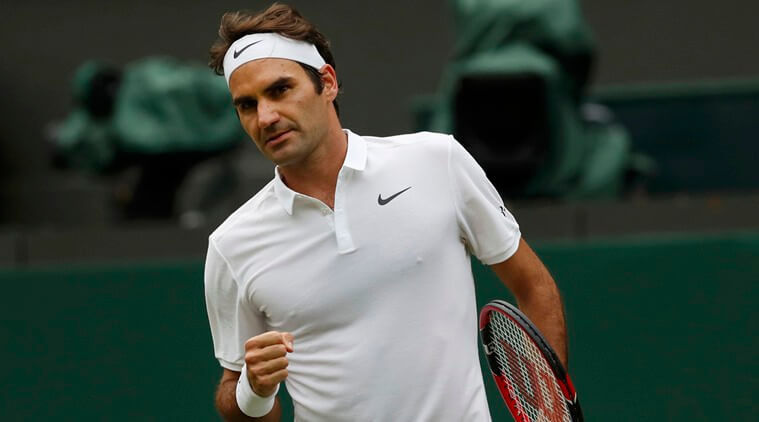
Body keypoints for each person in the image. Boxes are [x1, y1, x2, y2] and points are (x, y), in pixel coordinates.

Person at [204, 4, 568, 421]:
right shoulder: (232, 245)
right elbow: (236, 392)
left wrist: (548, 411)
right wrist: (254, 390)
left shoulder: (437, 161)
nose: (265, 117)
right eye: (247, 105)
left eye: (279, 90)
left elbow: (535, 288)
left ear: (327, 83)